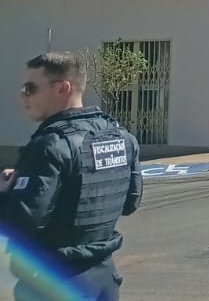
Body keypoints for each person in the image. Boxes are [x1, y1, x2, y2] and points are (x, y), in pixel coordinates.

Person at [2, 51, 141, 300]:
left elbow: (21, 222)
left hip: (54, 281)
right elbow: (130, 203)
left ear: (62, 89)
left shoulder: (49, 145)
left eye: (30, 88)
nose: (23, 96)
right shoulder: (122, 137)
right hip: (103, 279)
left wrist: (5, 193)